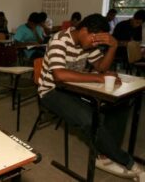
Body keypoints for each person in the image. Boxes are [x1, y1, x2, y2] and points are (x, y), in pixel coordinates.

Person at [38, 13, 144, 179]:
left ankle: (104, 153)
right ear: (84, 30)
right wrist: (98, 78)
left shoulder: (88, 44)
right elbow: (59, 75)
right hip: (51, 91)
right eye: (94, 40)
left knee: (119, 106)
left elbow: (101, 67)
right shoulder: (60, 40)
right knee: (89, 119)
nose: (95, 44)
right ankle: (128, 162)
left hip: (75, 89)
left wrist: (113, 47)